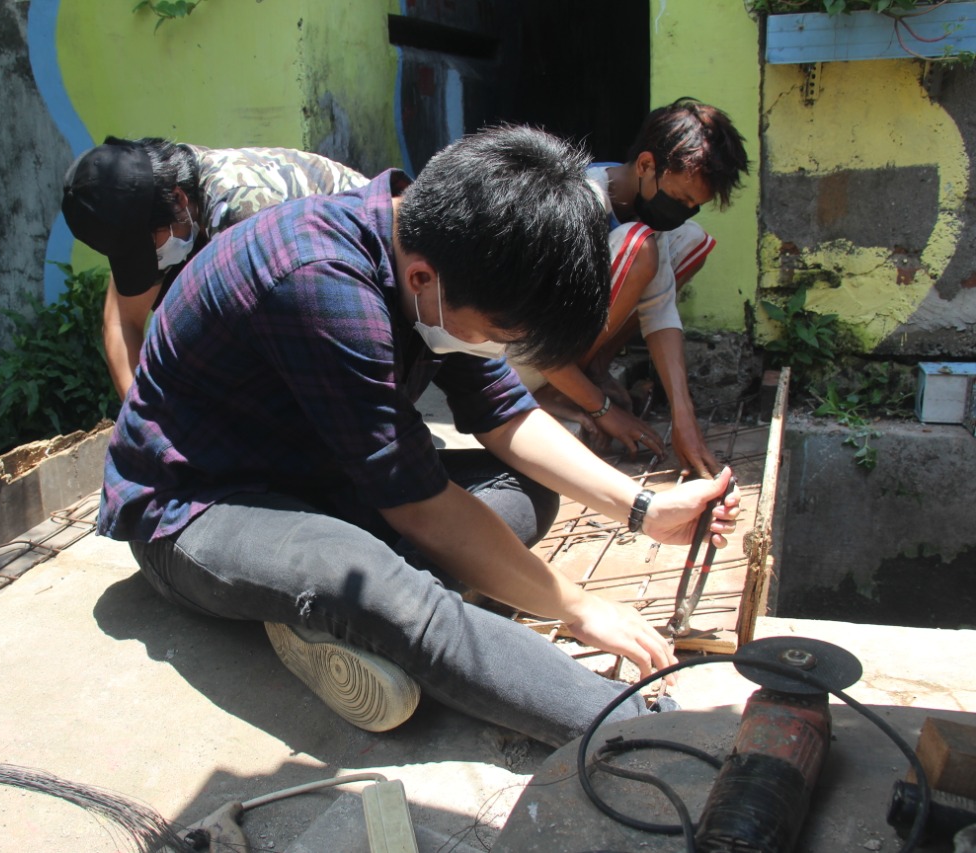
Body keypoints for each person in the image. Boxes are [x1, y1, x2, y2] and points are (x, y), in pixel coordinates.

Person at [98, 125, 739, 747]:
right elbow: (422, 508)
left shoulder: (441, 247)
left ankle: (343, 620)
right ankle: (640, 729)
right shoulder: (321, 281)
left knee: (523, 492)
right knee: (359, 576)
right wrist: (576, 608)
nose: (498, 350)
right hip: (196, 506)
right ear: (423, 281)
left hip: (317, 475)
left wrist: (643, 509)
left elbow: (505, 415)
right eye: (498, 333)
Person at [512, 98, 750, 479]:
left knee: (691, 241)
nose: (684, 210)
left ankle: (590, 370)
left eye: (694, 204)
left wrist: (683, 417)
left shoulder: (642, 205)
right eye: (681, 199)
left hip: (557, 347)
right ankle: (556, 390)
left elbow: (660, 310)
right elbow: (531, 342)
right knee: (640, 248)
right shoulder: (579, 201)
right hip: (517, 359)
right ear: (645, 165)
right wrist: (604, 409)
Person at [61, 137, 369, 399]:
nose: (150, 262)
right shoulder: (147, 202)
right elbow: (121, 322)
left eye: (148, 248)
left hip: (373, 278)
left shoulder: (240, 209)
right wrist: (145, 424)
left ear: (178, 199)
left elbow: (284, 345)